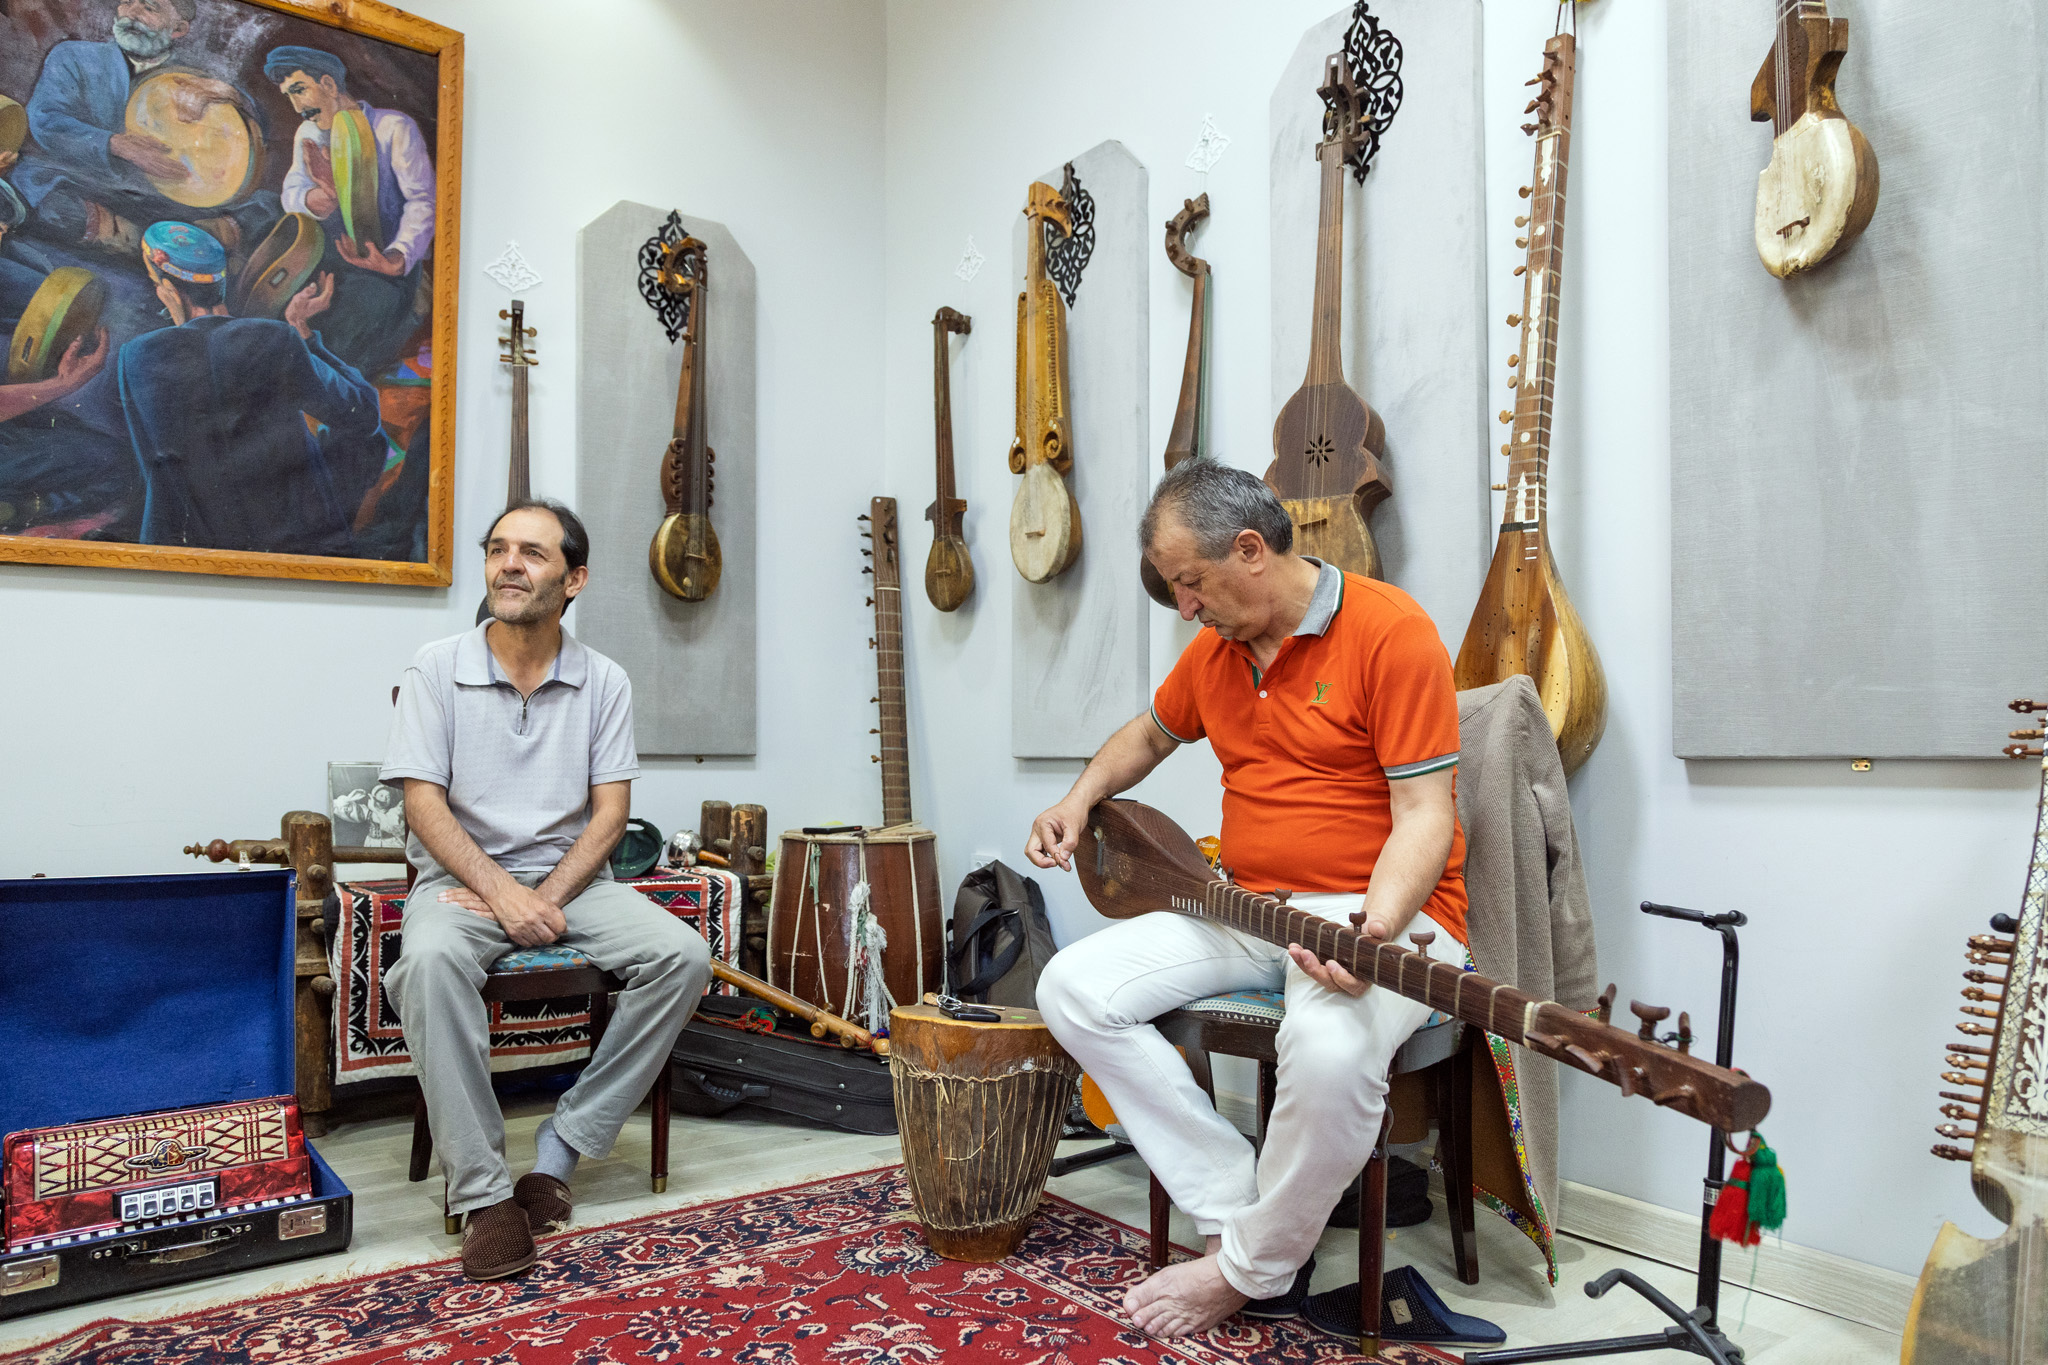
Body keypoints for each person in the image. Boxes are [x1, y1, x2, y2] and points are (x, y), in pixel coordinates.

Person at [1027, 459, 1468, 1338]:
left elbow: (1426, 815)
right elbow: (1147, 735)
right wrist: (1078, 797)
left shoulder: (1390, 630)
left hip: (1390, 912)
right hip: (1247, 909)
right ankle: (1248, 1214)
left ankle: (1246, 1269)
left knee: (1333, 1049)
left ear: (1252, 549)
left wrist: (1371, 932)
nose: (1186, 607)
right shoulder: (1216, 653)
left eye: (1192, 583)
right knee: (1070, 988)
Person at [380, 499, 713, 1281]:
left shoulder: (604, 680)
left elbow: (611, 813)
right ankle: (487, 1193)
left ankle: (562, 1145)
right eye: (498, 548)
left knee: (684, 955)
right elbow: (421, 803)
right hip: (463, 881)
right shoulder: (436, 667)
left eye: (531, 552)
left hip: (572, 881)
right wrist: (501, 894)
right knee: (425, 965)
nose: (508, 563)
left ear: (575, 578)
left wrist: (548, 897)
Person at [113, 220, 384, 555]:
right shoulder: (274, 337)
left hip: (189, 546)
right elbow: (364, 414)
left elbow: (155, 465)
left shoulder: (136, 356)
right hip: (288, 541)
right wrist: (304, 335)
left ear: (167, 290)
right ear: (220, 284)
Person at [13, 0, 256, 254]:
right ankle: (154, 240)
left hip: (159, 196)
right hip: (84, 181)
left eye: (149, 8)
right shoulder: (73, 56)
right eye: (127, 2)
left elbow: (251, 130)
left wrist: (230, 95)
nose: (132, 14)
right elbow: (45, 121)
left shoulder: (192, 78)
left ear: (179, 29)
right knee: (33, 186)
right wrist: (115, 144)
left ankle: (140, 238)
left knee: (258, 208)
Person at [264, 44, 433, 371]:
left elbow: (422, 202)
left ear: (328, 84)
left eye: (300, 90)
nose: (298, 106)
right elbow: (291, 192)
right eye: (289, 96)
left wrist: (395, 259)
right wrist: (323, 196)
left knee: (361, 314)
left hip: (381, 262)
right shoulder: (309, 132)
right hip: (328, 251)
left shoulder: (393, 128)